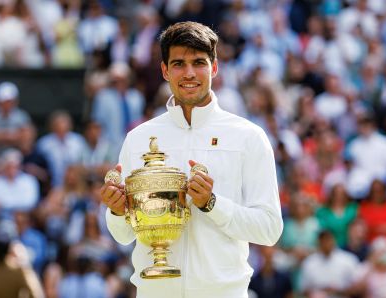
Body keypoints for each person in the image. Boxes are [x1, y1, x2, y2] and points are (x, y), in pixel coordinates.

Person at [99, 21, 283, 298]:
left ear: (215, 67)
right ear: (164, 70)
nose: (189, 74)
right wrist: (115, 211)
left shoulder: (249, 137)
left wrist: (211, 203)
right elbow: (123, 234)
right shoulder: (138, 139)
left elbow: (269, 230)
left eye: (198, 62)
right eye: (178, 64)